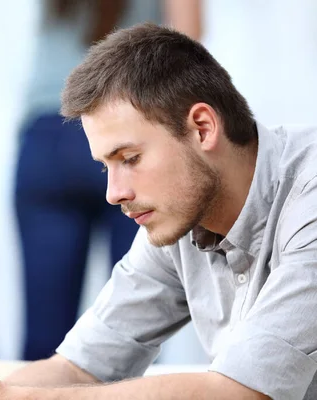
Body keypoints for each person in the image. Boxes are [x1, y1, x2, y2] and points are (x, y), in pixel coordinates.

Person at [0, 23, 317, 399]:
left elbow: (239, 392)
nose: (113, 194)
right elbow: (80, 368)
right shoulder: (178, 217)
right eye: (106, 166)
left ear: (202, 128)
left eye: (129, 158)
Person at [15, 0, 201, 362]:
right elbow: (187, 46)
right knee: (136, 331)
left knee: (43, 338)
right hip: (128, 135)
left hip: (46, 138)